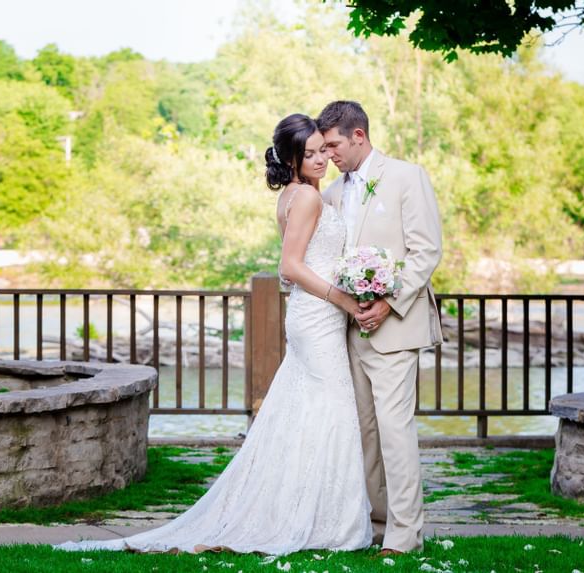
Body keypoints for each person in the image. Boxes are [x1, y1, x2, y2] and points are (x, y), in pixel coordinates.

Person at [56, 113, 373, 555]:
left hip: (309, 315)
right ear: (292, 159)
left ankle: (305, 512)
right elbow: (290, 267)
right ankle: (322, 523)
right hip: (319, 316)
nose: (321, 159)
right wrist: (342, 299)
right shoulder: (307, 200)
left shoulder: (293, 195)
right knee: (330, 412)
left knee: (304, 414)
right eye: (311, 154)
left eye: (324, 150)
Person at [318, 100, 444, 555]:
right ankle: (376, 524)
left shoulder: (407, 177)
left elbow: (426, 251)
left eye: (334, 144)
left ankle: (405, 534)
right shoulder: (331, 193)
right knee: (364, 433)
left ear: (358, 136)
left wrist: (387, 303)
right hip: (349, 330)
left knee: (395, 431)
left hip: (396, 328)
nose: (329, 153)